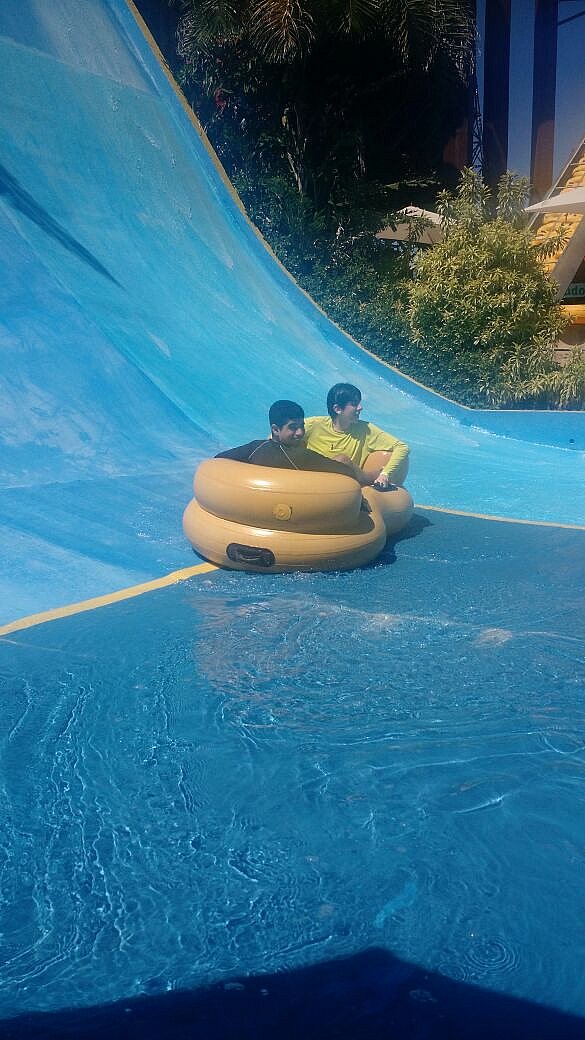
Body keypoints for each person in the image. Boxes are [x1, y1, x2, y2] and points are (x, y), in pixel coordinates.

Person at [215, 399, 370, 483]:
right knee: (344, 461)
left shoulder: (256, 447)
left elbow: (219, 459)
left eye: (302, 426)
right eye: (293, 428)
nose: (300, 432)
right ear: (276, 429)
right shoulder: (301, 456)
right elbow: (346, 471)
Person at [304, 383, 410, 488]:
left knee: (342, 461)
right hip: (310, 480)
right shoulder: (314, 425)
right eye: (354, 404)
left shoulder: (366, 430)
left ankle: (367, 477)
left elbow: (402, 447)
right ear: (338, 409)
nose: (360, 408)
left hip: (342, 487)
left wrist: (385, 474)